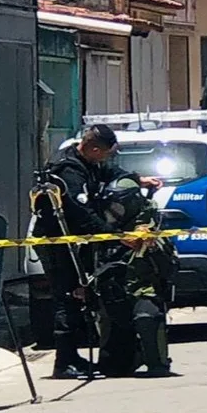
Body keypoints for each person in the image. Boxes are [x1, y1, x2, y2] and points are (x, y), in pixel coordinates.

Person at [31, 124, 159, 379]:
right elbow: (81, 214)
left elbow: (108, 171)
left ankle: (72, 357)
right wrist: (115, 237)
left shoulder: (87, 162)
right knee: (67, 298)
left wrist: (136, 178)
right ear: (94, 148)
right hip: (57, 242)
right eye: (106, 153)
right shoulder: (69, 171)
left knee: (80, 297)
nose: (107, 159)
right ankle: (63, 363)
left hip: (74, 242)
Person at [91, 176, 178, 378]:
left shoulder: (151, 227)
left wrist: (152, 246)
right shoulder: (104, 229)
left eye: (117, 206)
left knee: (146, 316)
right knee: (112, 369)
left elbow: (169, 269)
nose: (112, 212)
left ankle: (158, 362)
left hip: (142, 290)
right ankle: (132, 355)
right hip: (112, 294)